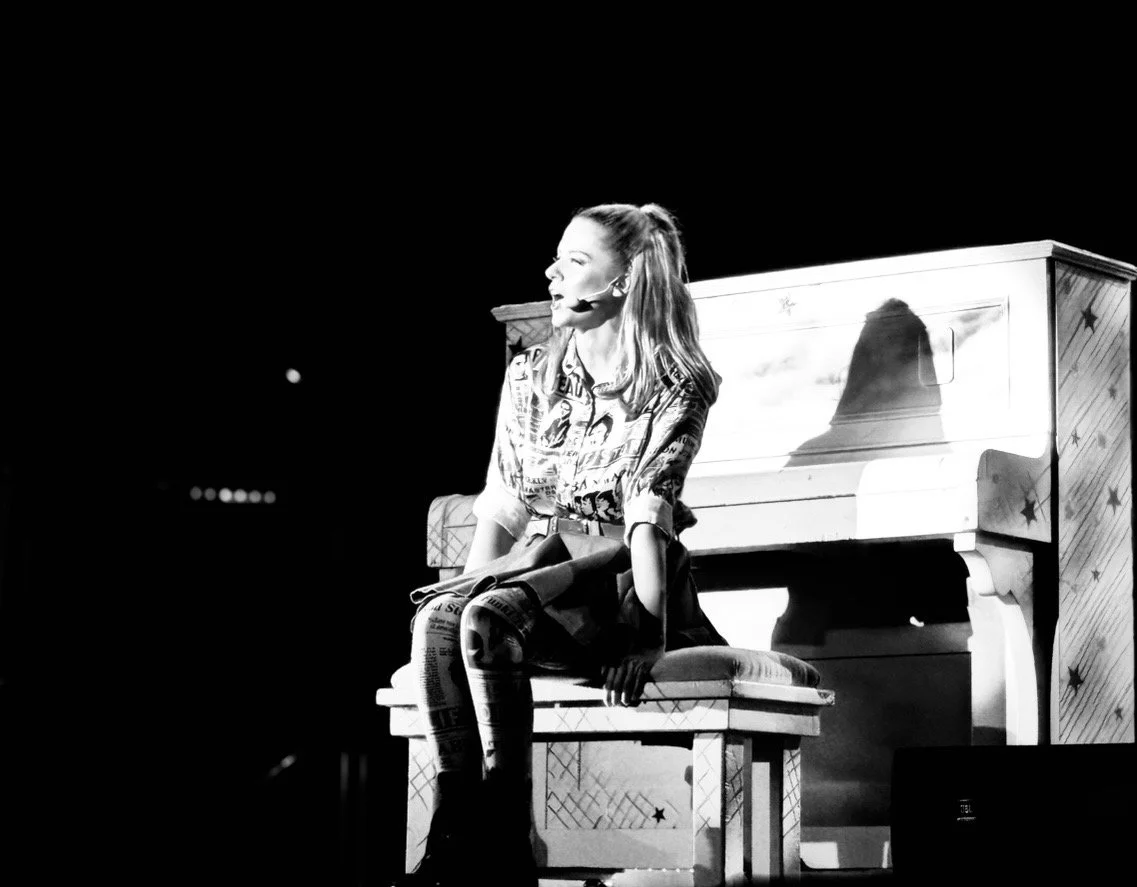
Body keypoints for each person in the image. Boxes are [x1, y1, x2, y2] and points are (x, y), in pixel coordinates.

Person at [396, 203, 727, 887]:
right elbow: (505, 502)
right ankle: (458, 833)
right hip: (547, 568)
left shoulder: (674, 381)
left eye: (576, 261)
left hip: (618, 580)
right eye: (557, 256)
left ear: (623, 279)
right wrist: (466, 587)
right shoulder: (531, 374)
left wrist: (647, 633)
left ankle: (507, 837)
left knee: (489, 619)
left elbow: (647, 517)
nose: (552, 272)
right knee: (440, 620)